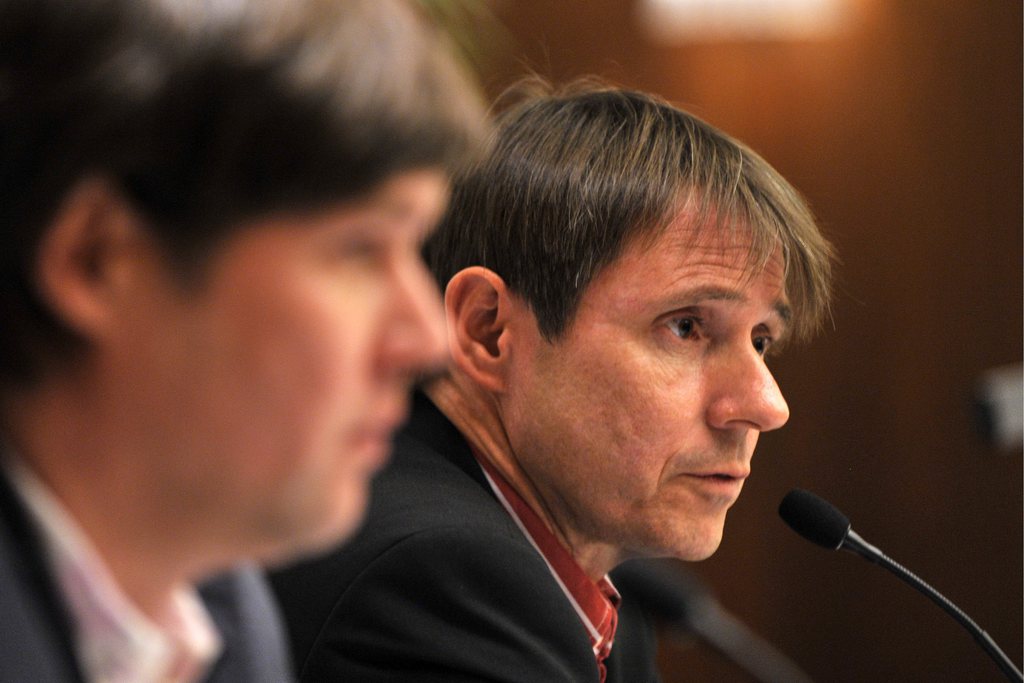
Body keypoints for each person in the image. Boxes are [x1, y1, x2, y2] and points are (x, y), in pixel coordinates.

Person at [270, 82, 835, 681]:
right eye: (687, 327)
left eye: (761, 340)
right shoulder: (441, 577)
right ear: (488, 330)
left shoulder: (597, 592)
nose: (766, 405)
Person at [0, 0, 486, 680]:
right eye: (359, 250)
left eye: (414, 249)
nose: (428, 340)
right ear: (99, 259)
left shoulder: (222, 612)